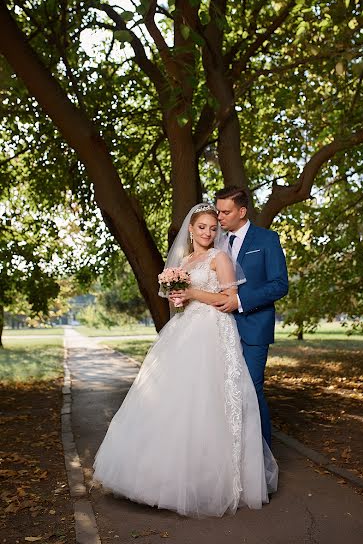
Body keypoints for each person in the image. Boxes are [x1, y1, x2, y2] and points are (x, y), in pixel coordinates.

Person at [93, 203, 278, 517]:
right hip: (185, 330)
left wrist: (190, 292)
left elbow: (227, 299)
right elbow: (180, 305)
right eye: (202, 227)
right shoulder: (186, 261)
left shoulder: (221, 258)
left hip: (215, 332)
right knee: (174, 401)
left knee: (210, 402)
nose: (208, 232)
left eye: (212, 227)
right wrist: (178, 297)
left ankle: (212, 482)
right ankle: (161, 478)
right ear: (190, 230)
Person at [214, 186, 289, 448]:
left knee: (251, 393)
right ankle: (231, 460)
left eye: (226, 212)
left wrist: (241, 301)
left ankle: (263, 468)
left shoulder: (267, 240)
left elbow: (280, 284)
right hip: (218, 328)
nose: (220, 217)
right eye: (218, 211)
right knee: (223, 395)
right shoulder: (217, 241)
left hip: (254, 328)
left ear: (242, 211)